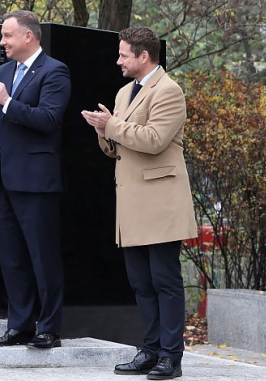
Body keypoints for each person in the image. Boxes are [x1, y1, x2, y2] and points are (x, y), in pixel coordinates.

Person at [81, 27, 197, 380]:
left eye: (124, 55)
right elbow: (118, 149)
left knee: (165, 281)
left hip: (160, 203)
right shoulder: (122, 93)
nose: (118, 61)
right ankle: (148, 350)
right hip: (131, 204)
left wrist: (111, 125)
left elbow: (154, 140)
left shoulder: (169, 91)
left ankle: (170, 357)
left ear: (143, 56)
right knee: (141, 283)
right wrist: (104, 133)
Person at [0, 10, 71, 349]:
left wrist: (7, 101)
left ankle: (49, 327)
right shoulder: (4, 71)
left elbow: (49, 119)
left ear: (29, 36)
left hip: (36, 181)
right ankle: (19, 324)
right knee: (12, 258)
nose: (2, 42)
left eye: (7, 35)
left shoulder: (55, 72)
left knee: (43, 256)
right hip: (4, 180)